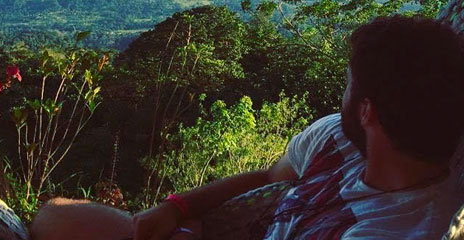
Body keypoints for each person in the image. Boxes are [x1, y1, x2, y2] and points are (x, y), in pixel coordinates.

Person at [30, 16, 464, 240]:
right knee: (56, 218)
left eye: (349, 83)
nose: (341, 94)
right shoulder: (338, 139)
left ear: (368, 111)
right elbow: (266, 179)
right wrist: (177, 208)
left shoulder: (396, 230)